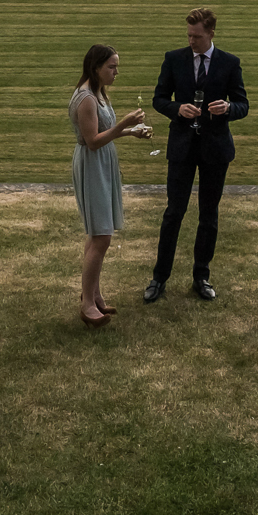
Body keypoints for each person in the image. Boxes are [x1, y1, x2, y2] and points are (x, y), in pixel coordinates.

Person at [143, 7, 249, 302]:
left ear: (211, 33)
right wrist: (177, 109)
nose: (191, 41)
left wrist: (228, 109)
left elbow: (243, 104)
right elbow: (159, 98)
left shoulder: (229, 63)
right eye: (189, 35)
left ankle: (201, 276)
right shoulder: (173, 59)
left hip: (215, 149)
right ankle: (159, 277)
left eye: (197, 36)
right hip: (182, 148)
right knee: (173, 213)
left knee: (209, 215)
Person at [69, 45, 150, 326]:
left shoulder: (99, 93)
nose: (117, 72)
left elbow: (103, 134)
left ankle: (94, 295)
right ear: (96, 67)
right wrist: (122, 125)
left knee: (97, 232)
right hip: (92, 165)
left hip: (102, 162)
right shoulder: (86, 99)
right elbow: (92, 141)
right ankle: (87, 303)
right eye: (112, 67)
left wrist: (130, 131)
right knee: (101, 235)